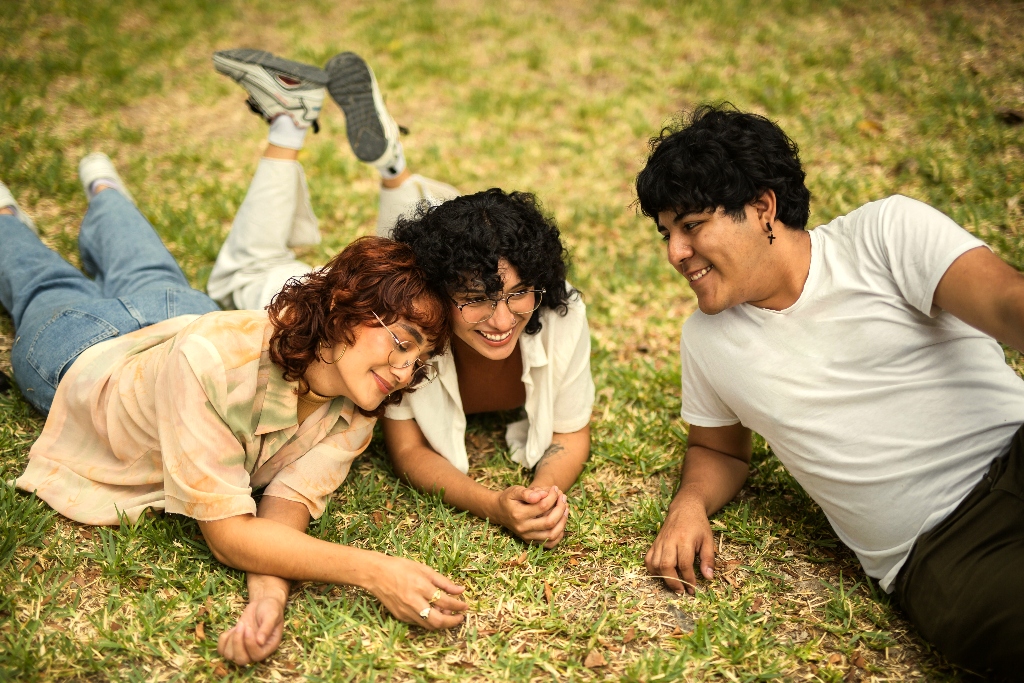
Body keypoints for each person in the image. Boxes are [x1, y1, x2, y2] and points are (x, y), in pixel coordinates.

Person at [2, 151, 469, 667]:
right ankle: (15, 217)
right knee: (46, 284)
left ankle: (106, 194)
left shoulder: (361, 400)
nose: (406, 371)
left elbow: (281, 510)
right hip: (84, 351)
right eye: (402, 342)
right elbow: (228, 535)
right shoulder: (209, 363)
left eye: (420, 359)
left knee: (149, 266)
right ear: (343, 308)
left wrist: (267, 599)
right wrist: (378, 572)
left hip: (179, 316)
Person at [636, 104, 1024, 678]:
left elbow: (1005, 304)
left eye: (691, 226)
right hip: (945, 552)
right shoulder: (707, 339)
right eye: (667, 233)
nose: (675, 253)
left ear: (763, 207)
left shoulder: (886, 234)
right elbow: (717, 450)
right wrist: (688, 506)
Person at [208, 49, 595, 551]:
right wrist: (493, 504)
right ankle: (289, 121)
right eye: (476, 299)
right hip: (340, 302)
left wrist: (542, 496)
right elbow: (408, 450)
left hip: (409, 274)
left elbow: (571, 431)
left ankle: (394, 164)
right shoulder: (411, 332)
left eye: (519, 293)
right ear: (439, 295)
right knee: (247, 269)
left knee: (447, 241)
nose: (502, 319)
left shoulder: (560, 310)